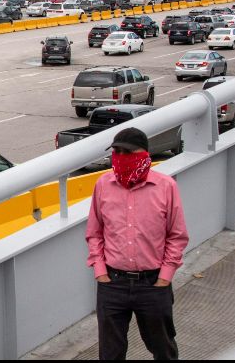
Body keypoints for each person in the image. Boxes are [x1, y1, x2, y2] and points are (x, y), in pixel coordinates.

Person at [86, 127, 189, 361]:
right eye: (117, 152)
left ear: (145, 154)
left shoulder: (165, 186)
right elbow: (95, 232)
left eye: (128, 152)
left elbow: (177, 235)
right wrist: (101, 272)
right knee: (110, 353)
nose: (121, 157)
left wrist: (164, 277)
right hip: (112, 284)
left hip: (153, 284)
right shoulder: (103, 184)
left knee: (163, 348)